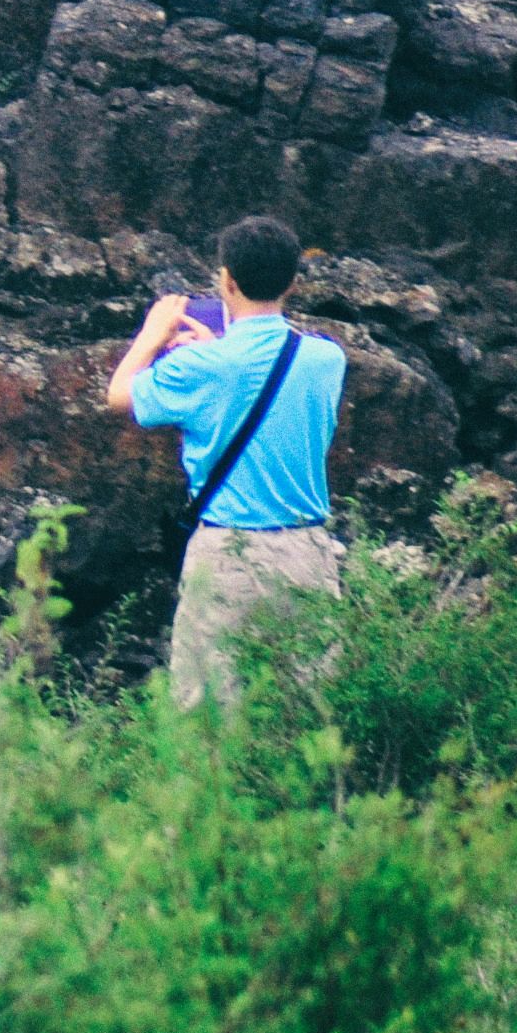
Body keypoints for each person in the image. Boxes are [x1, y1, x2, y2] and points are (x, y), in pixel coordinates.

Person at [109, 211, 348, 706]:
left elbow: (120, 395)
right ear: (293, 283)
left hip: (226, 556)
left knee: (210, 719)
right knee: (307, 715)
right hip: (308, 552)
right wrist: (218, 350)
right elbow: (259, 371)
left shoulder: (200, 366)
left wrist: (153, 334)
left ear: (226, 281)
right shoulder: (327, 360)